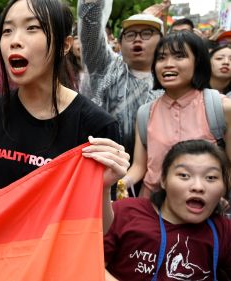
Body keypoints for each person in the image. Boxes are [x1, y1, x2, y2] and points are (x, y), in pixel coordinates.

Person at [0, 0, 128, 210]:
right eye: (7, 30)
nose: (15, 41)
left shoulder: (96, 126)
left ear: (65, 45)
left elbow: (99, 228)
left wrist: (104, 187)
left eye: (32, 28)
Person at [120, 31, 231, 198]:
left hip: (203, 209)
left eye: (179, 56)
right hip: (152, 209)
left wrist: (218, 197)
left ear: (198, 62)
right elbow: (139, 166)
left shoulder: (221, 108)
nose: (168, 64)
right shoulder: (145, 113)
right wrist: (121, 183)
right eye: (161, 58)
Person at [104, 140, 231, 280]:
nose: (198, 187)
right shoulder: (125, 212)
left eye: (211, 177)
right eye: (184, 175)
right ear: (163, 180)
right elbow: (89, 264)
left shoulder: (224, 231)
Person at [78, 0, 164, 156]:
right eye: (130, 34)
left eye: (146, 33)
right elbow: (90, 32)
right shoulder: (106, 68)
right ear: (120, 42)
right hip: (102, 164)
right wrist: (91, 5)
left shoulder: (172, 80)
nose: (137, 39)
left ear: (162, 41)